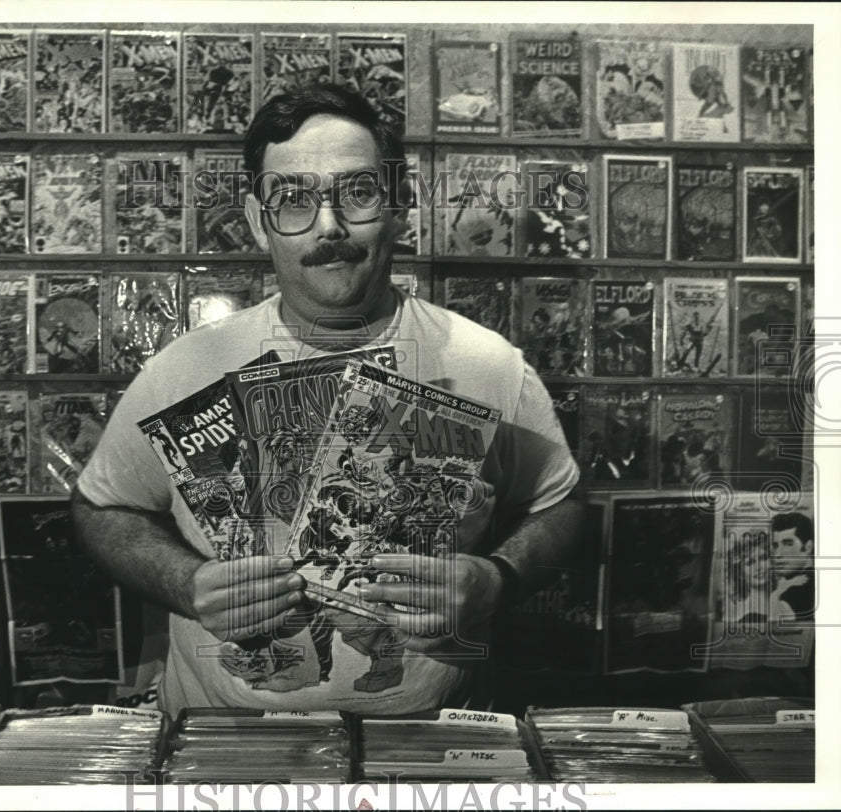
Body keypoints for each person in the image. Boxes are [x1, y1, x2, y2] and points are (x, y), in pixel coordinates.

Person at [72, 84, 583, 716]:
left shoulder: (489, 365)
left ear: (397, 204)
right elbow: (101, 509)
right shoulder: (185, 368)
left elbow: (560, 507)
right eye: (292, 200)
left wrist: (496, 580)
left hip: (426, 748)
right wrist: (185, 582)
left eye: (358, 193)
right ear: (260, 221)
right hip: (224, 745)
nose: (329, 227)